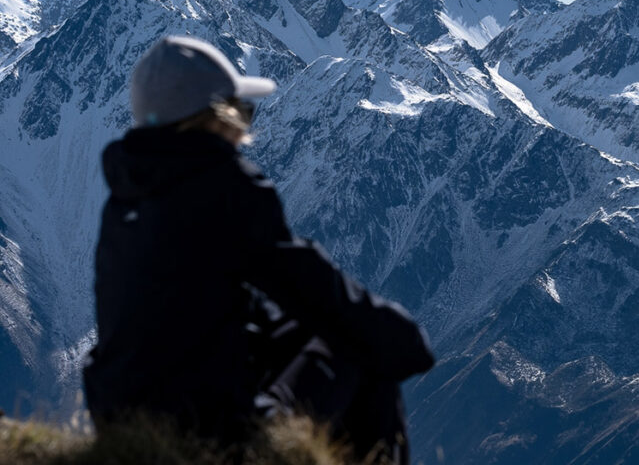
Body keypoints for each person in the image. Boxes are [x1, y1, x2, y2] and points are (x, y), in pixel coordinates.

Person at [83, 35, 434, 464]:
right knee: (358, 350)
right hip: (206, 429)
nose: (244, 127)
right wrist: (403, 339)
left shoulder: (126, 195)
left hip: (118, 418)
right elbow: (311, 289)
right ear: (214, 118)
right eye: (240, 112)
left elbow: (192, 305)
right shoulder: (223, 186)